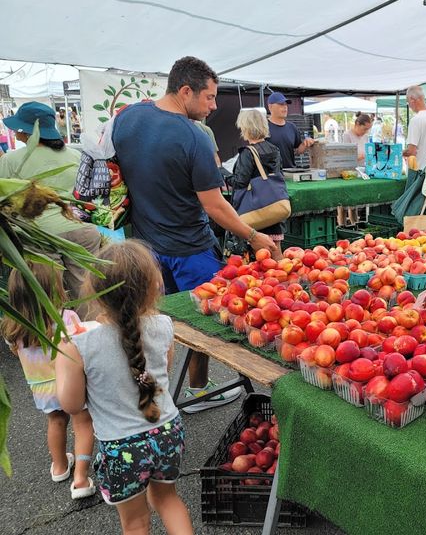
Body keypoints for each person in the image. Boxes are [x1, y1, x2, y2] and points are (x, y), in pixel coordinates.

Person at [113, 56, 276, 413]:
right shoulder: (194, 138)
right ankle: (200, 389)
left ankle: (151, 389)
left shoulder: (126, 119)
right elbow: (214, 206)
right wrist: (253, 236)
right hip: (191, 248)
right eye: (209, 98)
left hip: (144, 247)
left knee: (152, 320)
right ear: (185, 91)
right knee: (204, 321)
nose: (214, 106)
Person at [56, 241, 192, 533]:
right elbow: (159, 376)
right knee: (169, 501)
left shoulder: (80, 343)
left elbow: (71, 404)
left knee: (135, 522)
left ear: (92, 289)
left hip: (122, 448)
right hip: (167, 431)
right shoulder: (164, 325)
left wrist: (63, 355)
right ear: (153, 285)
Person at [4, 263, 96, 500]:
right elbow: (80, 346)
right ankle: (81, 478)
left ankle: (59, 466)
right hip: (71, 384)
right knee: (82, 424)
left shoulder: (13, 327)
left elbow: (17, 352)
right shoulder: (66, 318)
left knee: (56, 422)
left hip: (42, 389)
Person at [0, 102, 102, 313]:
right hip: (81, 230)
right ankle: (91, 338)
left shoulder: (11, 161)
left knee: (48, 299)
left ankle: (57, 342)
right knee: (86, 294)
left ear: (26, 131)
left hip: (40, 236)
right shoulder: (76, 156)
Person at [230, 108, 284, 250]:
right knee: (276, 252)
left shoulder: (248, 153)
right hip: (274, 208)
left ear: (245, 127)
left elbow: (240, 182)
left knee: (260, 259)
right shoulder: (275, 149)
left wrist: (225, 177)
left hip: (255, 212)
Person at [266, 91, 314, 169]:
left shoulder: (292, 127)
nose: (285, 107)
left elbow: (297, 151)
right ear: (270, 107)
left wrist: (305, 144)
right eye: (281, 104)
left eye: (286, 104)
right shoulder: (263, 127)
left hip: (290, 172)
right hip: (271, 175)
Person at [402, 85, 426, 169]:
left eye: (408, 102)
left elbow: (411, 151)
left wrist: (397, 152)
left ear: (412, 99)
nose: (409, 105)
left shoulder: (416, 120)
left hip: (421, 170)